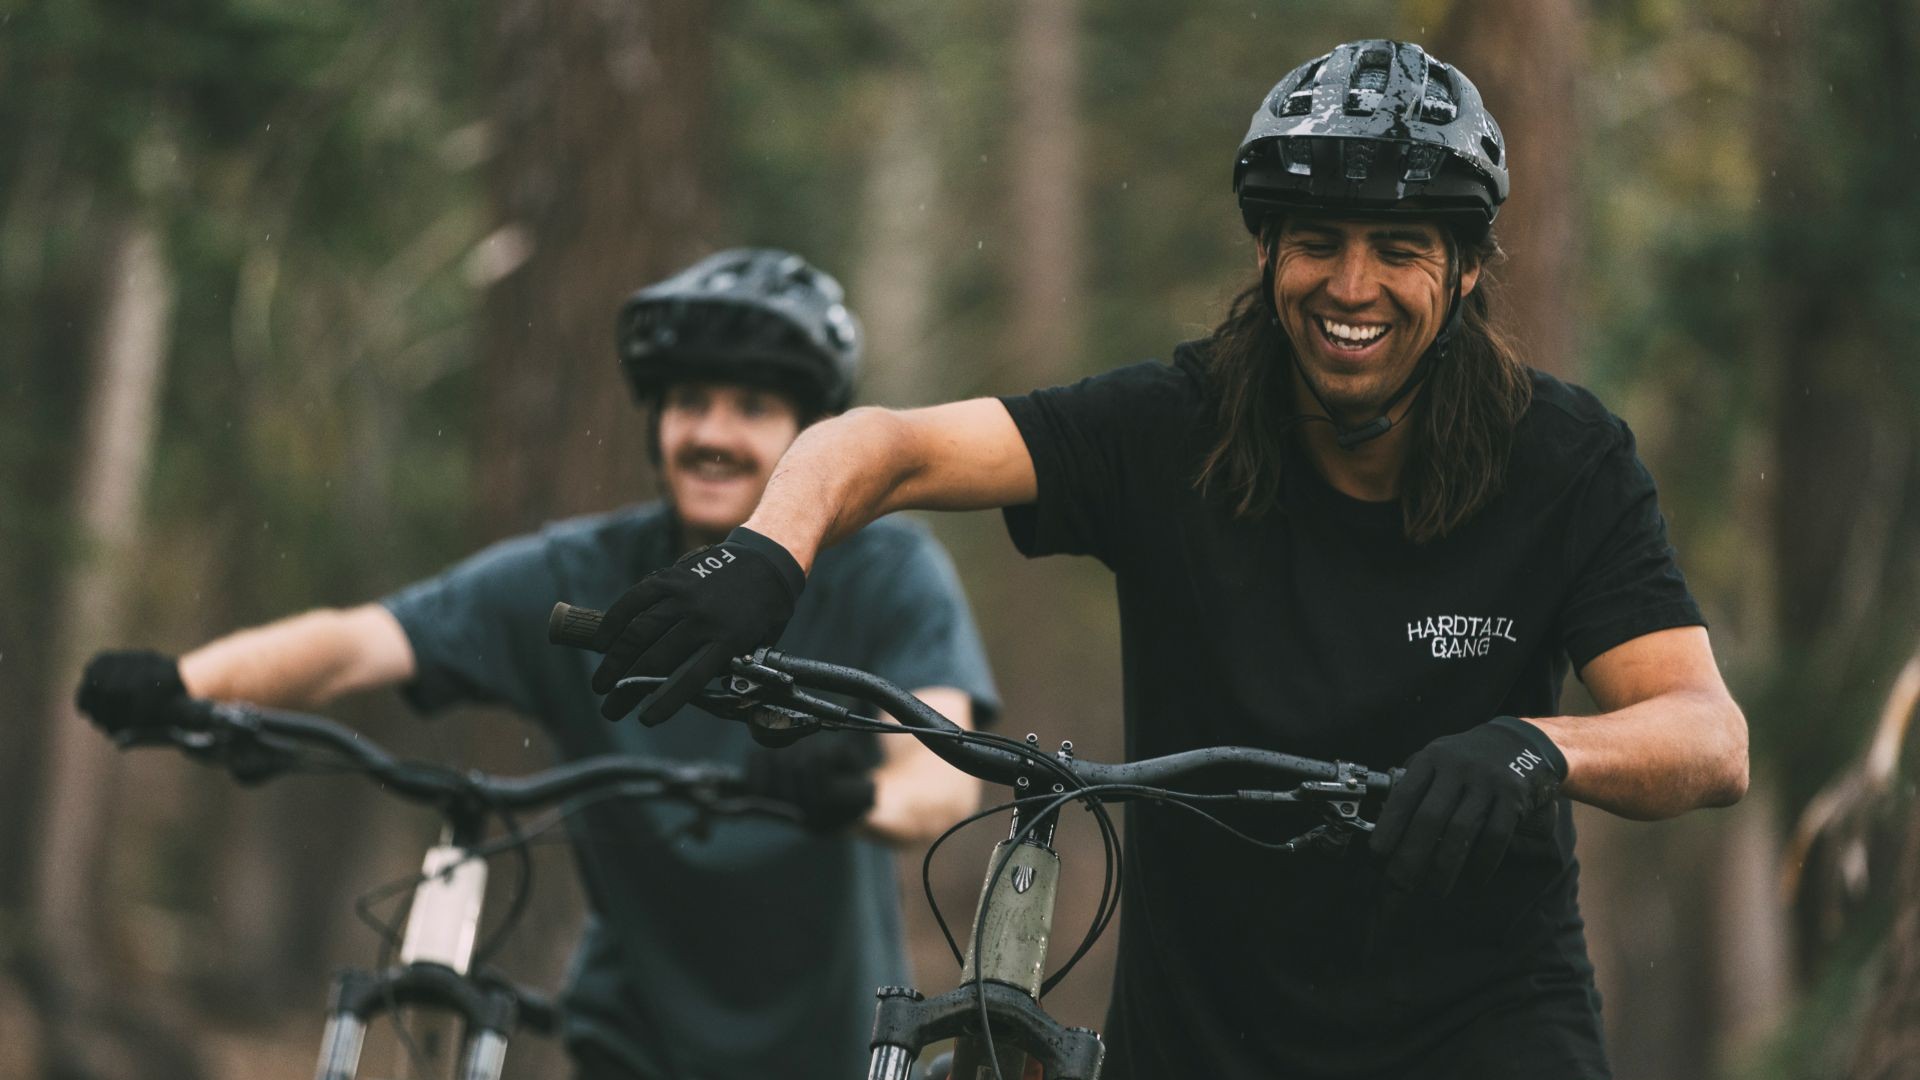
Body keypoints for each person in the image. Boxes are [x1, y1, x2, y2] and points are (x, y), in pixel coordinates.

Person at [581, 41, 1749, 1080]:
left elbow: (1706, 737)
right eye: (1317, 242)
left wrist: (1538, 747)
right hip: (1204, 1036)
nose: (1352, 287)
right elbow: (881, 444)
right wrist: (763, 556)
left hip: (1490, 1027)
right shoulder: (1171, 429)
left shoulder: (1564, 459)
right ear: (1266, 249)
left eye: (1399, 249)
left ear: (1468, 269)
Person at [75, 248, 1000, 1080]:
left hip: (832, 1042)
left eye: (753, 407)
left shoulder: (885, 571)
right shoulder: (582, 574)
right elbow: (360, 641)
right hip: (629, 1036)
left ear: (808, 437)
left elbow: (943, 776)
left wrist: (855, 796)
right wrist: (184, 684)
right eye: (689, 401)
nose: (712, 433)